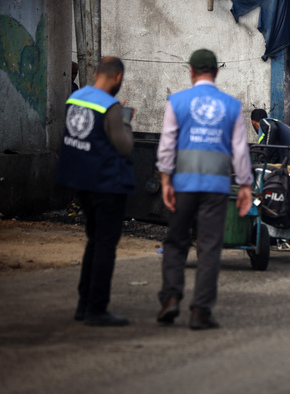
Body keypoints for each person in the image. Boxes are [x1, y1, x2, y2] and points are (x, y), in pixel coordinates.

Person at [156, 49, 252, 330]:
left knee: (176, 241)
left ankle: (171, 299)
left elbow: (167, 144)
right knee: (209, 247)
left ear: (191, 71)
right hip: (217, 186)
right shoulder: (232, 106)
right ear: (216, 71)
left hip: (183, 184)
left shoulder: (177, 101)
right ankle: (200, 311)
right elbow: (240, 150)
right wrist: (245, 184)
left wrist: (165, 180)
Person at [55, 57, 135, 326]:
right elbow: (124, 146)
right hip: (106, 184)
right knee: (105, 245)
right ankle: (96, 309)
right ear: (117, 78)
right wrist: (125, 119)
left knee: (93, 240)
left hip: (80, 181)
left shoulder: (76, 98)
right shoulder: (110, 106)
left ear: (96, 73)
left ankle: (83, 304)